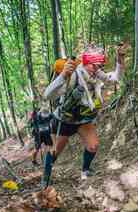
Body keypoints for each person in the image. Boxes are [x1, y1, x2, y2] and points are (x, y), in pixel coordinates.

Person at [43, 44, 126, 181]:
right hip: (64, 120)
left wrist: (120, 59)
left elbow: (115, 78)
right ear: (86, 62)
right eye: (94, 66)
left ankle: (85, 171)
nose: (97, 69)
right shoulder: (73, 76)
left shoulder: (97, 75)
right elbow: (48, 95)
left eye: (100, 66)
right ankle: (46, 177)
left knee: (93, 146)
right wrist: (63, 75)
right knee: (54, 151)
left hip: (83, 120)